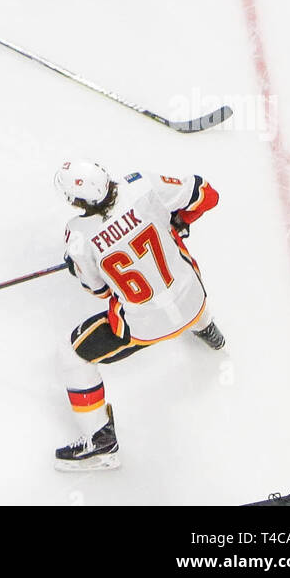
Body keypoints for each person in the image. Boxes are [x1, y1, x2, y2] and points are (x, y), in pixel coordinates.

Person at [53, 159, 222, 471]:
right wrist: (179, 221)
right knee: (176, 280)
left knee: (72, 353)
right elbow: (207, 195)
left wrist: (78, 267)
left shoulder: (78, 237)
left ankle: (100, 443)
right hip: (194, 297)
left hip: (145, 326)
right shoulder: (142, 183)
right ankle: (208, 329)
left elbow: (100, 290)